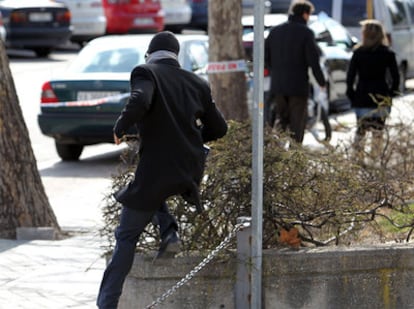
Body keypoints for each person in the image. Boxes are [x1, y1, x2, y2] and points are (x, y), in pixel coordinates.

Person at [97, 31, 228, 309]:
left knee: (126, 236)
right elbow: (220, 128)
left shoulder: (146, 72)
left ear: (150, 54)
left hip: (157, 168)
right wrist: (189, 139)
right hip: (189, 168)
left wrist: (120, 126)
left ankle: (106, 304)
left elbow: (141, 100)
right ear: (176, 56)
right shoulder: (197, 83)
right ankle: (169, 232)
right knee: (150, 192)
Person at [264, 0, 326, 143]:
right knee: (297, 125)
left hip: (278, 86)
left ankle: (278, 156)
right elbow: (313, 61)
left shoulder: (275, 31)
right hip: (298, 87)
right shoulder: (306, 33)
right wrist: (321, 82)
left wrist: (276, 71)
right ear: (305, 14)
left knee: (281, 121)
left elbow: (265, 58)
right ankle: (295, 159)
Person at [346, 19, 399, 154]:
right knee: (378, 132)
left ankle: (357, 161)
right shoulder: (387, 53)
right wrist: (391, 94)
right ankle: (376, 161)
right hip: (381, 96)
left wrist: (352, 95)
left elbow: (350, 77)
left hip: (362, 95)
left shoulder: (358, 53)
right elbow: (396, 77)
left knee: (361, 131)